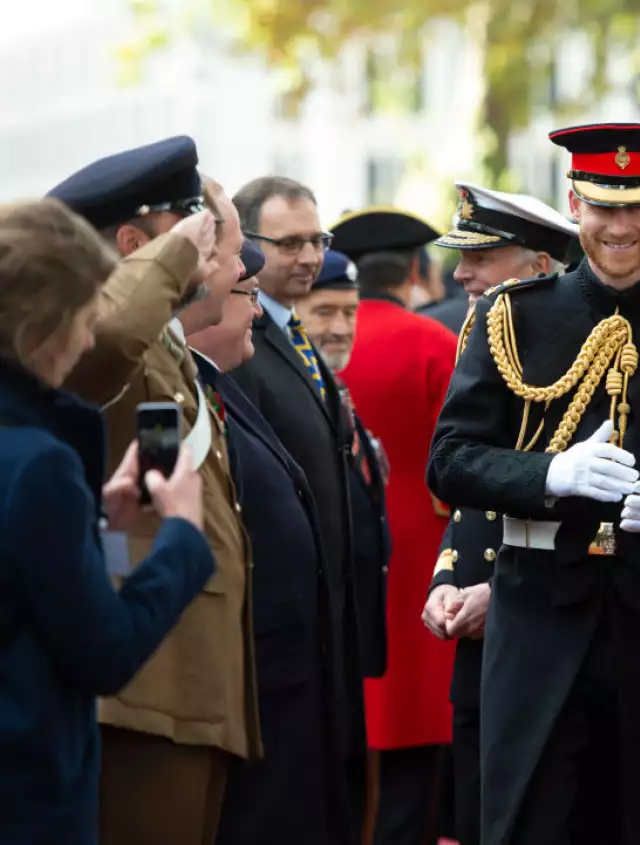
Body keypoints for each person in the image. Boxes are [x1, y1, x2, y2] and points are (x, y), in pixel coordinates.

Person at [427, 121, 640, 845]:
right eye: (602, 207)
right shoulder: (510, 316)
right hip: (536, 619)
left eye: (638, 207)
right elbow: (451, 460)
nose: (620, 228)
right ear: (574, 203)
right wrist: (549, 473)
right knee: (532, 824)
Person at [50, 137, 259, 845]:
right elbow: (105, 342)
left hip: (188, 683)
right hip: (139, 690)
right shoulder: (96, 334)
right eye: (192, 229)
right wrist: (171, 261)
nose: (221, 259)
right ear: (136, 245)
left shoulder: (167, 348)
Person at [0, 198, 211, 845]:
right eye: (85, 319)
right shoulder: (41, 466)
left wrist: (92, 521)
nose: (89, 340)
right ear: (40, 323)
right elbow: (106, 651)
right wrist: (182, 537)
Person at [420, 182, 578, 845]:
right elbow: (467, 497)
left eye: (481, 257)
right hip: (478, 635)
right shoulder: (483, 341)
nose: (461, 274)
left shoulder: (585, 355)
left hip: (548, 635)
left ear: (539, 266)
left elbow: (590, 516)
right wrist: (445, 579)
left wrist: (503, 593)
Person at [185, 240, 352, 845]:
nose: (257, 311)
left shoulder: (215, 382)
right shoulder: (189, 391)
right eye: (247, 294)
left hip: (280, 679)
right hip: (245, 685)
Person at [229, 176, 369, 839]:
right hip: (279, 640)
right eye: (290, 243)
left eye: (318, 239)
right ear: (247, 244)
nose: (311, 257)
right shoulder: (242, 342)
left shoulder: (294, 332)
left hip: (325, 628)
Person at [332, 207, 459, 845]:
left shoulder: (319, 342)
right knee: (417, 731)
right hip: (421, 553)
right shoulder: (436, 343)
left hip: (343, 545)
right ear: (413, 271)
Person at [295, 250, 390, 686]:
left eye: (350, 312)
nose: (340, 327)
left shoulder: (332, 388)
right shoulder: (294, 393)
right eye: (324, 311)